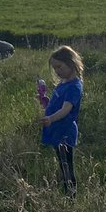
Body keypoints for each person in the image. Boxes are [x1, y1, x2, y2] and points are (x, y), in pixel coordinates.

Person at [37, 45, 84, 195]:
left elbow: (65, 110)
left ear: (71, 64)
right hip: (57, 130)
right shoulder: (63, 83)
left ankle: (71, 197)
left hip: (65, 132)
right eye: (54, 68)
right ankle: (67, 194)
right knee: (62, 164)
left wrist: (50, 118)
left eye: (60, 67)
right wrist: (45, 101)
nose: (57, 71)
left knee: (66, 167)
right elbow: (56, 104)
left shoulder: (74, 87)